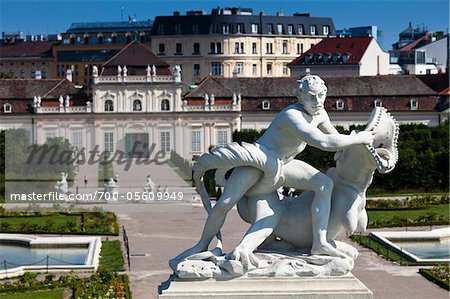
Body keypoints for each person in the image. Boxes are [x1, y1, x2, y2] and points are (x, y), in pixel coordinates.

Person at [175, 75, 375, 260]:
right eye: (311, 97)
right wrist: (358, 138)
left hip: (285, 164)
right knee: (225, 203)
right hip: (260, 161)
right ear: (299, 96)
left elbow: (335, 141)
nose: (317, 102)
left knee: (324, 184)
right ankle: (202, 244)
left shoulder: (320, 113)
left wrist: (359, 149)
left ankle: (320, 243)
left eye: (321, 96)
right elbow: (323, 142)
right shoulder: (292, 115)